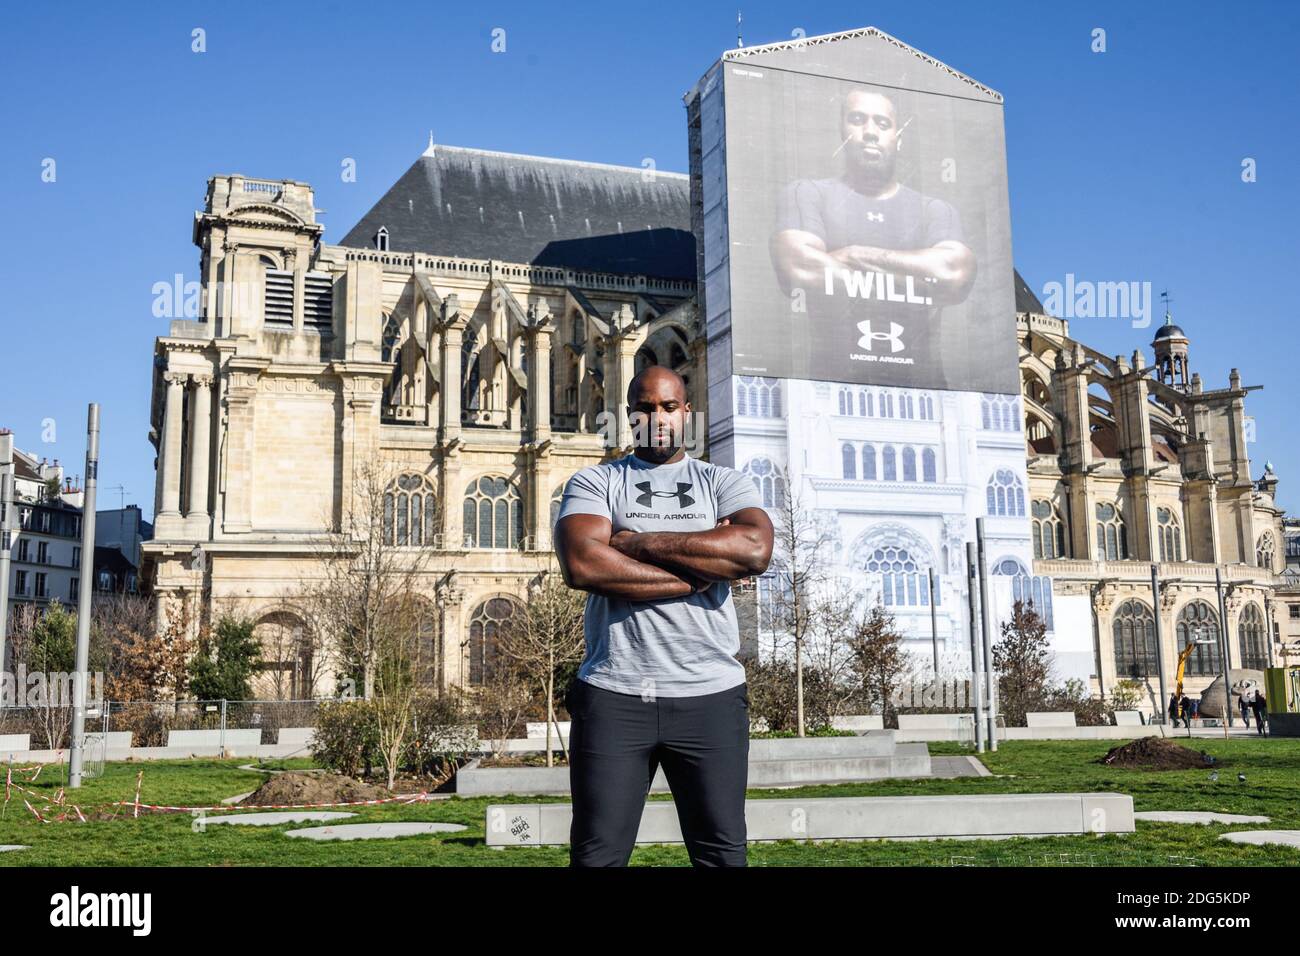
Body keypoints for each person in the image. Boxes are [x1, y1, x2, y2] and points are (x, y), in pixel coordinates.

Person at [555, 365, 775, 867]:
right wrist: (698, 572)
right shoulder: (596, 481)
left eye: (669, 407)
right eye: (645, 407)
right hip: (615, 695)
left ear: (687, 413)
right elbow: (584, 563)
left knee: (722, 855)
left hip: (710, 696)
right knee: (597, 857)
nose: (657, 418)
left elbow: (754, 551)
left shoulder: (723, 482)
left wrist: (637, 543)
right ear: (628, 415)